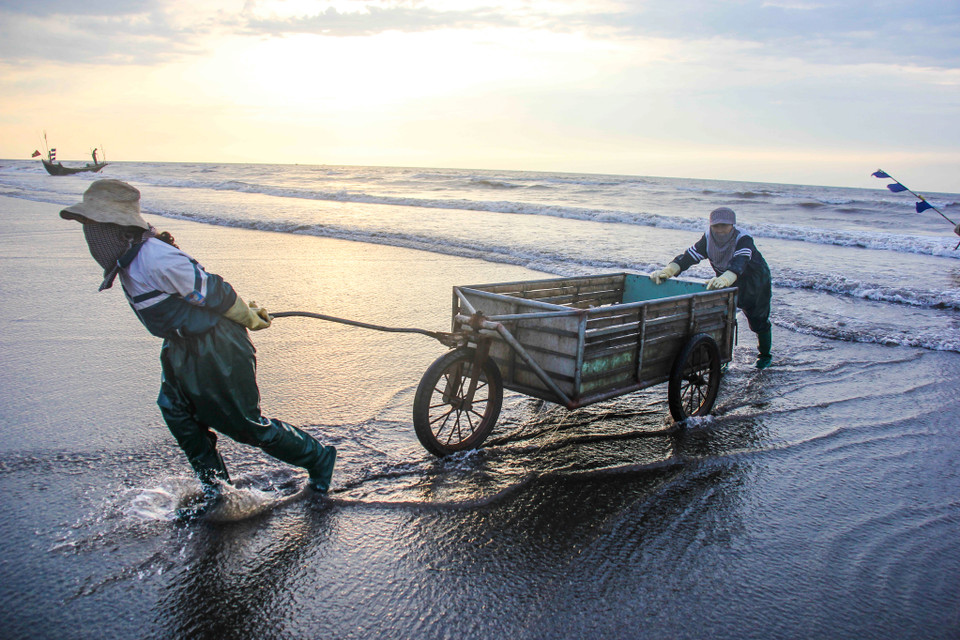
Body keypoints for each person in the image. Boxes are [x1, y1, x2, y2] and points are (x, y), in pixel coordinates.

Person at [60, 179, 336, 517]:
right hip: (182, 344)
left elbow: (213, 290)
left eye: (94, 227)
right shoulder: (130, 261)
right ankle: (216, 488)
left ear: (117, 229)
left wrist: (247, 317)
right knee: (176, 411)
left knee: (244, 424)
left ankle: (319, 458)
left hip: (217, 345)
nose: (90, 236)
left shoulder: (155, 257)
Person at [649, 206, 773, 369]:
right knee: (723, 318)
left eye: (724, 226)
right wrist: (669, 270)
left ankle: (764, 356)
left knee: (758, 320)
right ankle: (722, 358)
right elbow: (689, 257)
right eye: (716, 226)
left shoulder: (743, 239)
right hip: (725, 279)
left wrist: (727, 278)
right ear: (710, 226)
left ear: (732, 225)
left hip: (754, 282)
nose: (720, 230)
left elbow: (740, 261)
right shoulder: (707, 239)